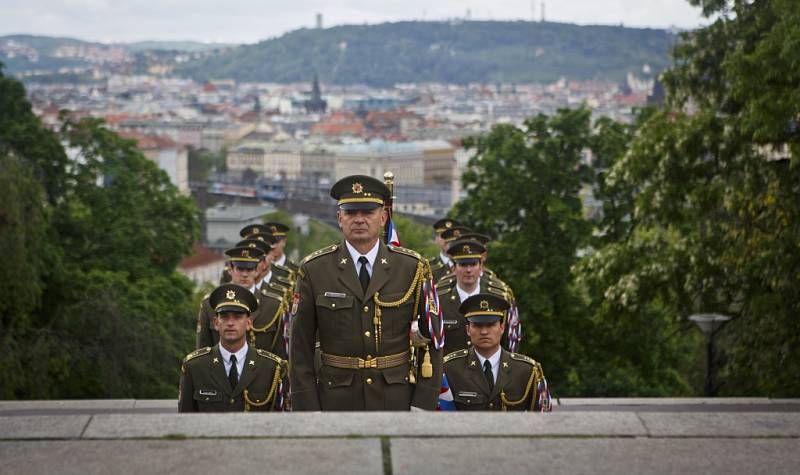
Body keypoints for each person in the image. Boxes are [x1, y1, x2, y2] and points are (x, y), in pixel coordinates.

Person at [290, 174, 444, 411]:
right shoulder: (314, 270)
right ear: (339, 218)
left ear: (383, 218)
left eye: (368, 212)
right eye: (351, 212)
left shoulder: (412, 268)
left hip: (396, 398)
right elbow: (300, 348)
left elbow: (433, 339)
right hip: (336, 400)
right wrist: (308, 409)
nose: (359, 219)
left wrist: (422, 403)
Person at [179, 283, 285, 412]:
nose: (230, 323)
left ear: (249, 323)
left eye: (238, 316)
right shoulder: (195, 366)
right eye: (224, 317)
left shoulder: (271, 367)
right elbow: (185, 419)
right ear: (216, 323)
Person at [442, 293, 551, 412]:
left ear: (502, 328)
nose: (484, 331)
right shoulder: (450, 369)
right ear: (468, 330)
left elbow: (542, 419)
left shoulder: (526, 370)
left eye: (490, 325)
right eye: (477, 325)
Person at [436, 240, 510, 354]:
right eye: (463, 265)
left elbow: (506, 342)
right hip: (450, 369)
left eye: (473, 264)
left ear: (481, 268)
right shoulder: (440, 300)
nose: (469, 270)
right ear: (453, 269)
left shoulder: (497, 299)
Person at [196, 245, 264, 349]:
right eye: (240, 269)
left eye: (249, 269)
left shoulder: (272, 304)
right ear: (230, 270)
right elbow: (203, 347)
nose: (244, 274)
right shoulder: (210, 303)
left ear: (257, 271)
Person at [428, 218, 462, 283]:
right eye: (443, 235)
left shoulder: (467, 265)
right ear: (436, 239)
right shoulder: (428, 268)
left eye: (451, 236)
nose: (448, 240)